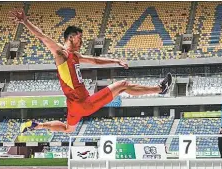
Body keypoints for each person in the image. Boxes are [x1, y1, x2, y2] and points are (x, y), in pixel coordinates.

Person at [11, 9, 172, 133]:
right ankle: (160, 89)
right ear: (71, 37)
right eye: (80, 38)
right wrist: (25, 21)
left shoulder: (75, 56)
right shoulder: (61, 53)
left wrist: (115, 61)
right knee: (123, 85)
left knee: (69, 128)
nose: (82, 41)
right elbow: (43, 36)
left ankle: (37, 125)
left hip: (74, 106)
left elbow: (95, 60)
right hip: (84, 102)